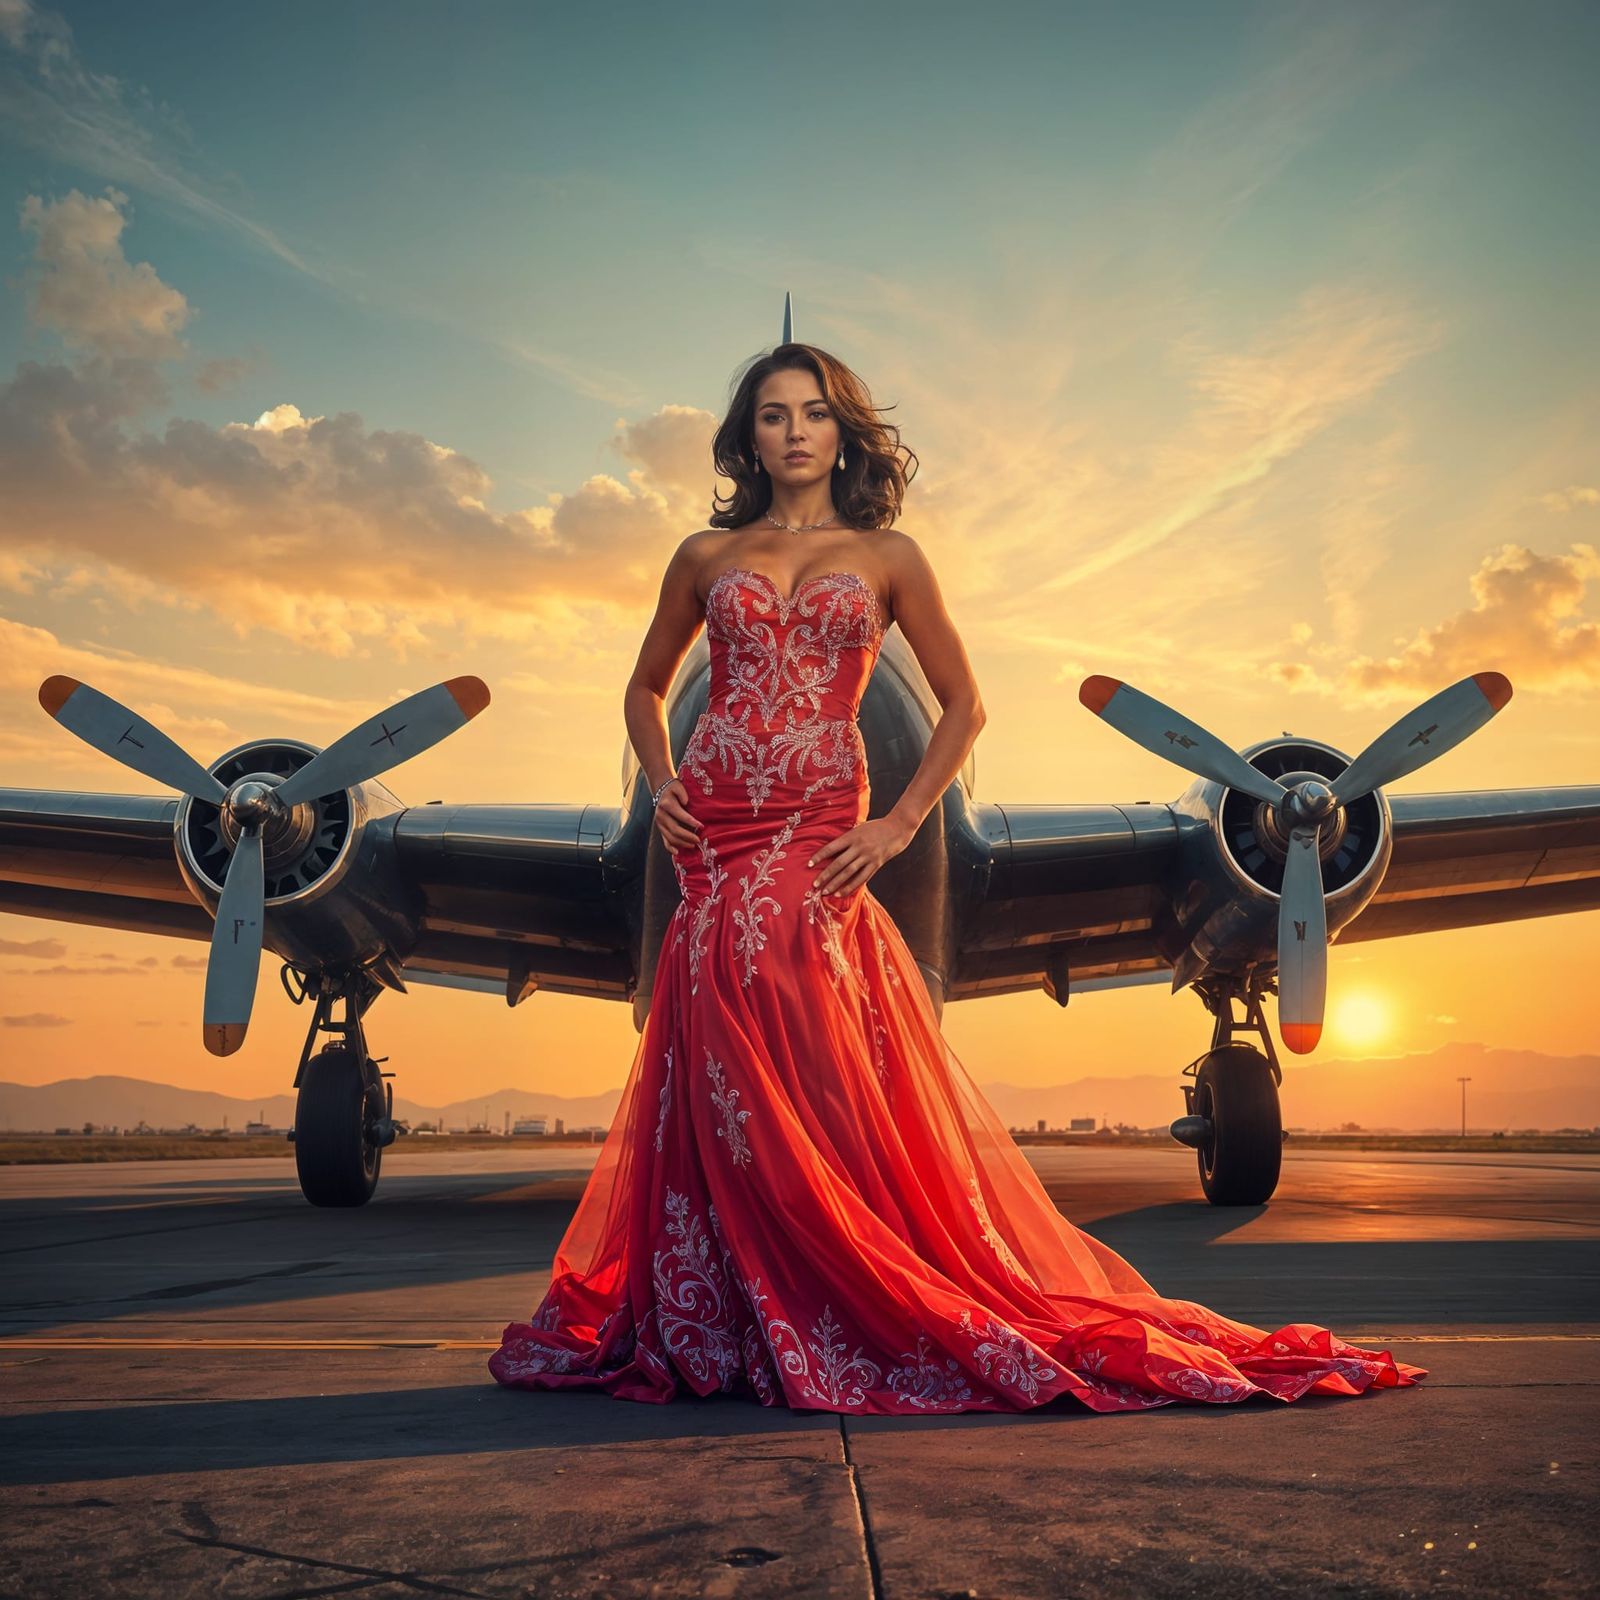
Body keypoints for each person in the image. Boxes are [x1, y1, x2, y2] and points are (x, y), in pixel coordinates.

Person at [489, 342, 1425, 1414]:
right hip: (717, 838)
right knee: (713, 1054)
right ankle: (727, 1308)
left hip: (820, 829)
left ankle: (832, 1287)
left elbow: (964, 705)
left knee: (808, 1046)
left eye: (814, 413)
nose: (793, 432)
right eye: (770, 415)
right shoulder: (702, 554)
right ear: (745, 435)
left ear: (844, 431)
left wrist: (894, 826)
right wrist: (661, 785)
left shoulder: (891, 557)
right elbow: (645, 686)